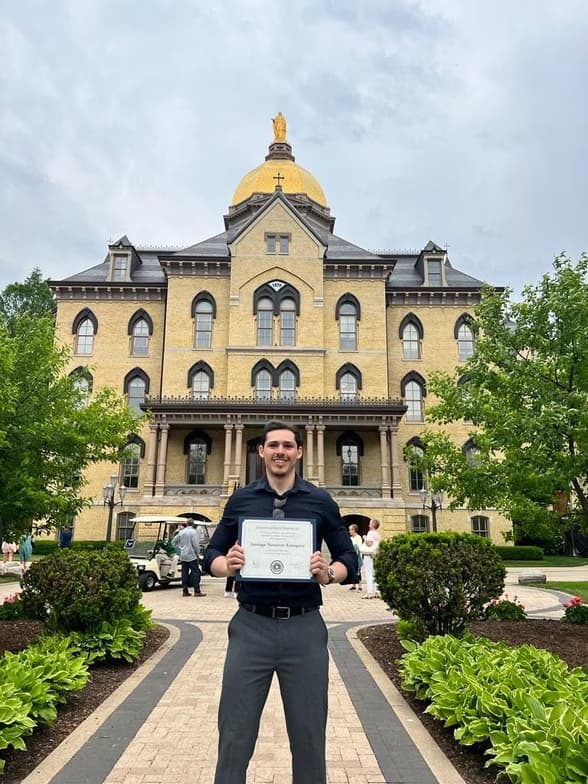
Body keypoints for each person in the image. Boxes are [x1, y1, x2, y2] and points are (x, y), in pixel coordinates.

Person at [204, 420, 357, 784]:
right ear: (261, 451)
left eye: (288, 446)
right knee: (234, 734)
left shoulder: (320, 502)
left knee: (308, 736)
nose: (280, 452)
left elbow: (348, 559)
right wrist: (227, 565)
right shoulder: (241, 499)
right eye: (273, 445)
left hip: (304, 628)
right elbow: (212, 552)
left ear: (299, 452)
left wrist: (328, 574)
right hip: (250, 626)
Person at [172, 521, 206, 597]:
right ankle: (197, 591)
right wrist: (198, 553)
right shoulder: (194, 532)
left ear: (187, 524)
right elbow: (195, 544)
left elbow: (173, 542)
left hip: (183, 555)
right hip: (192, 555)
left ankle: (185, 590)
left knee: (184, 573)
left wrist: (180, 549)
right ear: (193, 524)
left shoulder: (181, 532)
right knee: (195, 572)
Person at [360, 518, 381, 599]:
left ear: (373, 525)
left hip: (368, 556)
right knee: (375, 573)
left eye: (370, 523)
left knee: (369, 574)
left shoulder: (370, 533)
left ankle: (369, 593)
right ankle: (377, 591)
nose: (368, 524)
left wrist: (365, 537)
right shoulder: (378, 534)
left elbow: (369, 544)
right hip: (375, 555)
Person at [347, 523, 363, 590]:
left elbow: (359, 547)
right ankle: (353, 585)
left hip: (357, 556)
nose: (349, 531)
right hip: (351, 556)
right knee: (352, 570)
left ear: (354, 530)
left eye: (350, 530)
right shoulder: (350, 538)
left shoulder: (358, 537)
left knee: (358, 570)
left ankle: (360, 585)